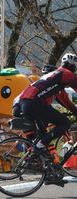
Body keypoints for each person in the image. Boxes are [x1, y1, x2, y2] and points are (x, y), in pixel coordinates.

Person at [13, 53, 77, 185]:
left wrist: (75, 111)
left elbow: (65, 101)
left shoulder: (57, 76)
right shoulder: (66, 73)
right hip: (33, 103)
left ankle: (49, 174)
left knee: (44, 137)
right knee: (64, 123)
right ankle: (38, 147)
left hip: (26, 103)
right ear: (73, 66)